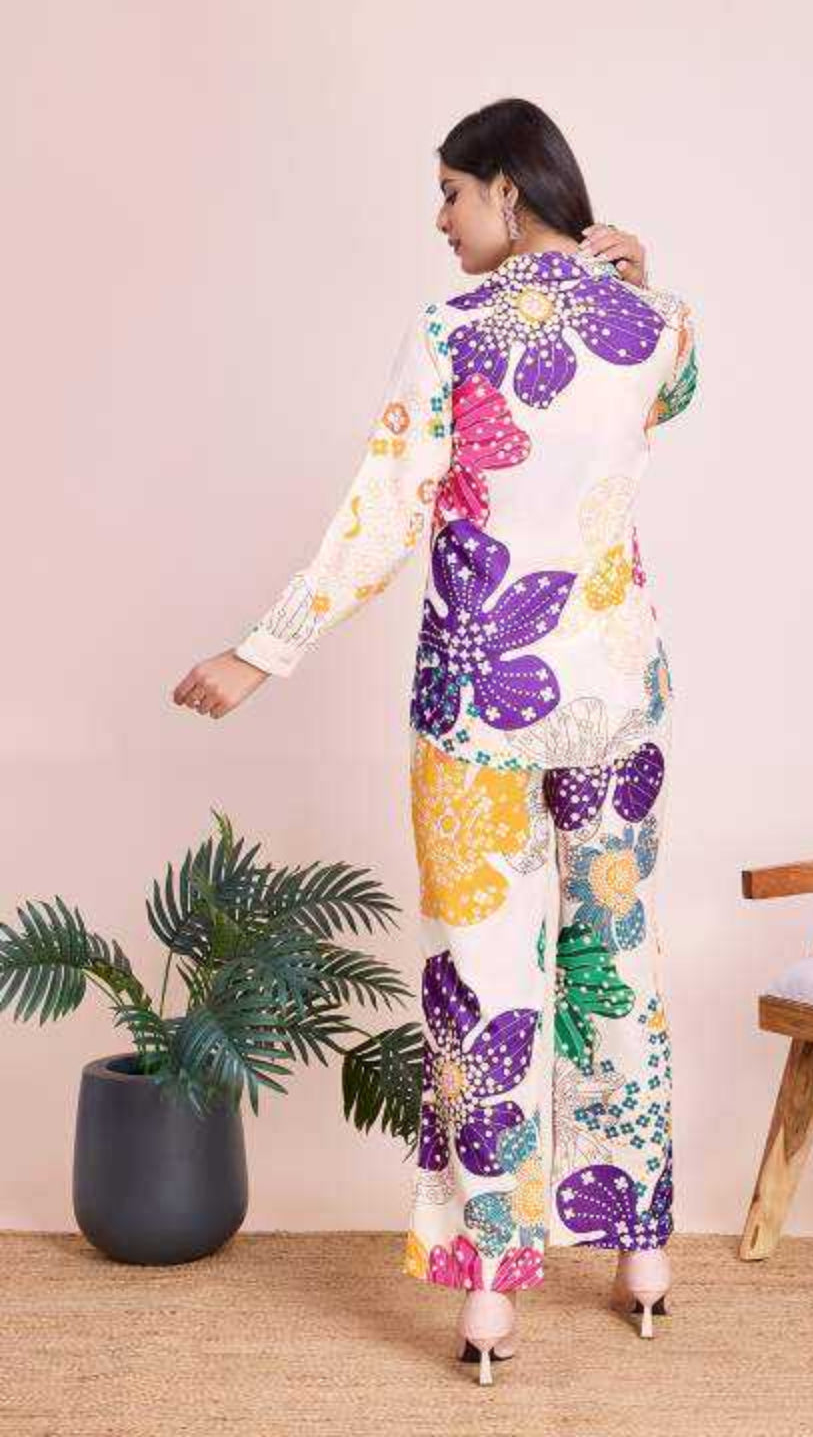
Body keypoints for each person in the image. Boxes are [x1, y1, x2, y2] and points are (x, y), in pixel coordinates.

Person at [172, 96, 698, 1386]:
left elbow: (382, 512)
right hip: (616, 695)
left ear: (510, 190)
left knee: (484, 983)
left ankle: (491, 1293)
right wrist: (635, 277)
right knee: (616, 959)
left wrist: (265, 649)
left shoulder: (452, 331)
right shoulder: (662, 325)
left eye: (453, 192)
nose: (440, 218)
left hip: (480, 701)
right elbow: (671, 396)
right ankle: (640, 1250)